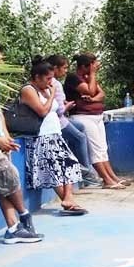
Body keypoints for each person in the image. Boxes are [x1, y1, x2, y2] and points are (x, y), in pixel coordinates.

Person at [0, 43, 43, 244]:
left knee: (2, 183)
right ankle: (24, 215)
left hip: (0, 139)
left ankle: (12, 227)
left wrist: (5, 136)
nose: (1, 62)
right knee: (9, 176)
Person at [21, 57, 86, 215]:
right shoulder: (28, 90)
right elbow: (42, 110)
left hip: (55, 133)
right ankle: (69, 202)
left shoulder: (47, 89)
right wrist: (52, 94)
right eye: (48, 78)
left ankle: (68, 199)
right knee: (54, 170)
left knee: (69, 164)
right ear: (37, 77)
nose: (51, 82)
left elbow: (57, 110)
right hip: (41, 136)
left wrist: (51, 93)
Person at [65, 53, 128, 189]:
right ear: (83, 66)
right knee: (95, 150)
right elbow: (91, 90)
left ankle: (113, 177)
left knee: (102, 148)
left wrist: (93, 100)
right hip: (83, 117)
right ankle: (106, 180)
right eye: (93, 65)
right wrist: (92, 76)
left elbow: (100, 94)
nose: (95, 67)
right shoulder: (73, 78)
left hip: (96, 116)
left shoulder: (87, 78)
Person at [47, 54, 101, 187]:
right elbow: (58, 110)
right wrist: (66, 106)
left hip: (62, 118)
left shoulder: (56, 83)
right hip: (58, 120)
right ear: (55, 68)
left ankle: (81, 167)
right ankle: (86, 172)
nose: (66, 71)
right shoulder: (56, 83)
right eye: (64, 68)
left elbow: (99, 93)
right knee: (80, 138)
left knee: (80, 127)